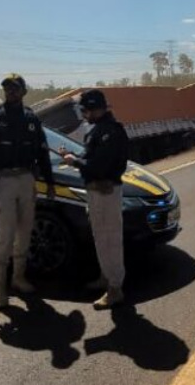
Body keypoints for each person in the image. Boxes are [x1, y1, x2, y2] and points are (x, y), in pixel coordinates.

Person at [0, 73, 55, 309]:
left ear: (23, 91)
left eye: (15, 88)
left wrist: (48, 182)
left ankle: (19, 278)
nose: (11, 92)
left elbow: (43, 152)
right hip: (4, 181)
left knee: (25, 232)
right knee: (5, 235)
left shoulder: (32, 118)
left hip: (27, 179)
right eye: (7, 88)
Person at [61, 89, 129, 310]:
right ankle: (106, 276)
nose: (84, 114)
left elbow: (99, 166)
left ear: (96, 109)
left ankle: (115, 288)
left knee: (111, 239)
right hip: (95, 191)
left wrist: (75, 163)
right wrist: (73, 157)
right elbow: (89, 157)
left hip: (106, 191)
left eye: (86, 110)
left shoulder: (110, 131)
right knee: (100, 237)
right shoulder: (97, 130)